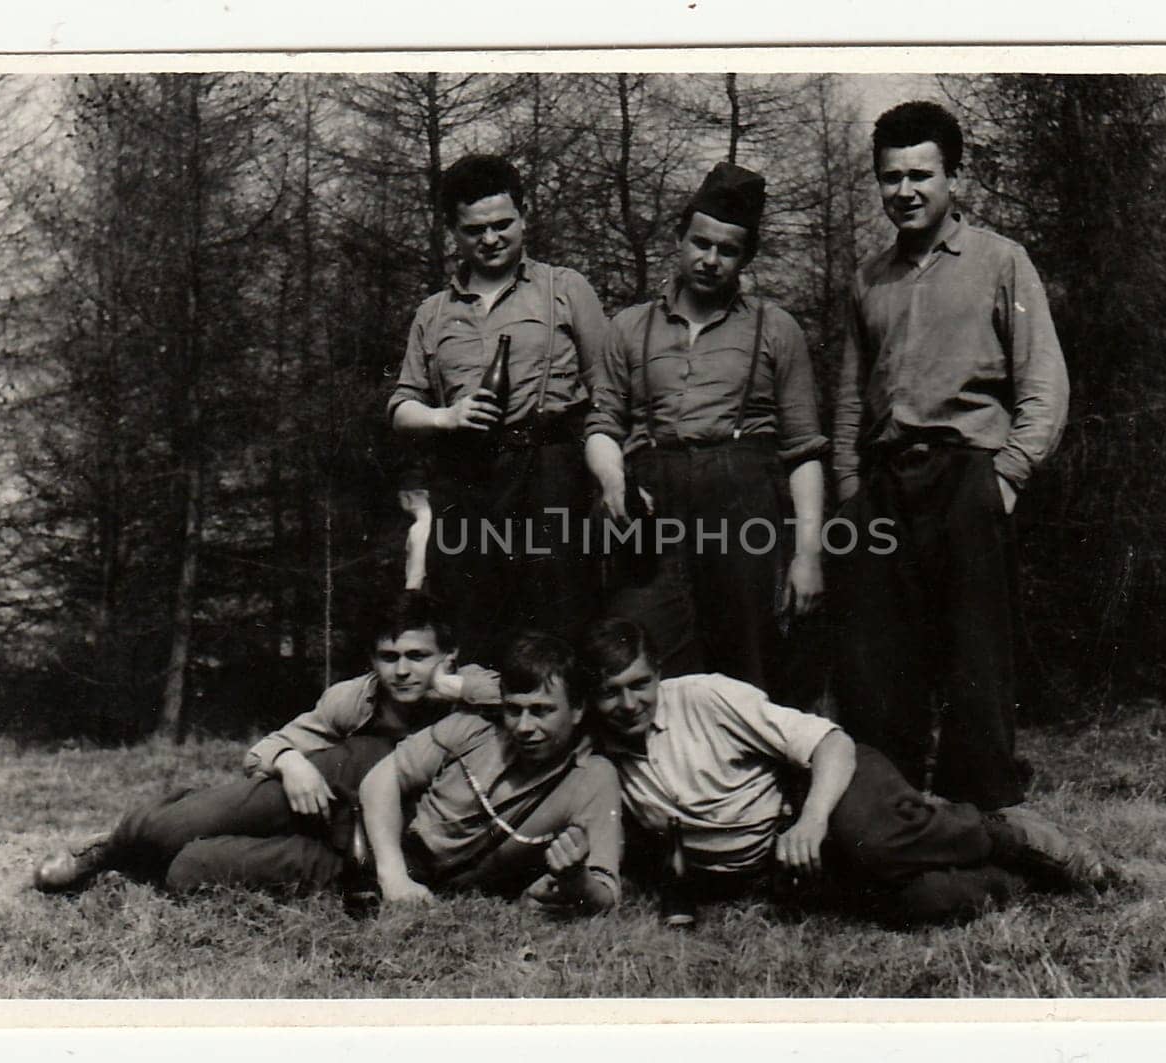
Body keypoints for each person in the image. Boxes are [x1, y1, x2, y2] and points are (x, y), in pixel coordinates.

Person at [831, 101, 1070, 809]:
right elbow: (849, 396)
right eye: (889, 177)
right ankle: (891, 810)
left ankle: (983, 817)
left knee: (974, 659)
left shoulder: (1001, 262)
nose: (904, 191)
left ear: (953, 177)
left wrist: (1008, 475)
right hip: (882, 487)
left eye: (920, 175)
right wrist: (849, 487)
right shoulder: (868, 278)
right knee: (879, 662)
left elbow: (1044, 382)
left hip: (968, 475)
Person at [578, 617, 1115, 927]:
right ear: (589, 698)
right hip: (786, 861)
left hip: (826, 786)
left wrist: (811, 821)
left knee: (876, 841)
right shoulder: (598, 757)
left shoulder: (706, 696)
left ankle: (1011, 835)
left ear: (659, 676)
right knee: (926, 903)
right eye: (610, 691)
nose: (629, 704)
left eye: (639, 684)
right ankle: (1014, 882)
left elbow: (829, 743)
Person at [32, 592, 497, 895]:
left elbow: (532, 701)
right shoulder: (354, 699)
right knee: (181, 825)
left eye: (418, 657)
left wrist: (455, 688)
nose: (402, 671)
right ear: (372, 658)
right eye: (389, 657)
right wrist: (292, 761)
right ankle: (110, 848)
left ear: (448, 657)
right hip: (315, 810)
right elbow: (265, 749)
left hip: (369, 844)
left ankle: (145, 864)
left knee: (188, 871)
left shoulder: (471, 697)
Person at [585, 162, 827, 696]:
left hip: (742, 501)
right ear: (679, 237)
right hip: (651, 503)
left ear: (746, 257)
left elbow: (804, 450)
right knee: (642, 649)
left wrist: (808, 554)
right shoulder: (627, 327)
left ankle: (753, 779)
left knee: (749, 658)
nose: (711, 261)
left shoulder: (776, 328)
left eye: (728, 250)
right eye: (700, 243)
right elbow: (602, 424)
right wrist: (613, 481)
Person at [387, 154, 609, 663]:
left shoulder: (565, 289)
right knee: (471, 624)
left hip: (551, 474)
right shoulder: (433, 313)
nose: (490, 239)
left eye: (502, 224)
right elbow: (402, 406)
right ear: (453, 232)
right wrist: (446, 416)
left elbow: (608, 390)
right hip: (468, 479)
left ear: (524, 217)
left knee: (558, 625)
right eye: (474, 230)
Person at [358, 631, 622, 913]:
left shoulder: (593, 776)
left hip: (456, 887)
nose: (523, 727)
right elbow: (380, 779)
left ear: (578, 709)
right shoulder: (474, 726)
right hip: (381, 845)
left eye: (541, 711)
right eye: (513, 710)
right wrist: (395, 877)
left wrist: (577, 881)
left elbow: (606, 894)